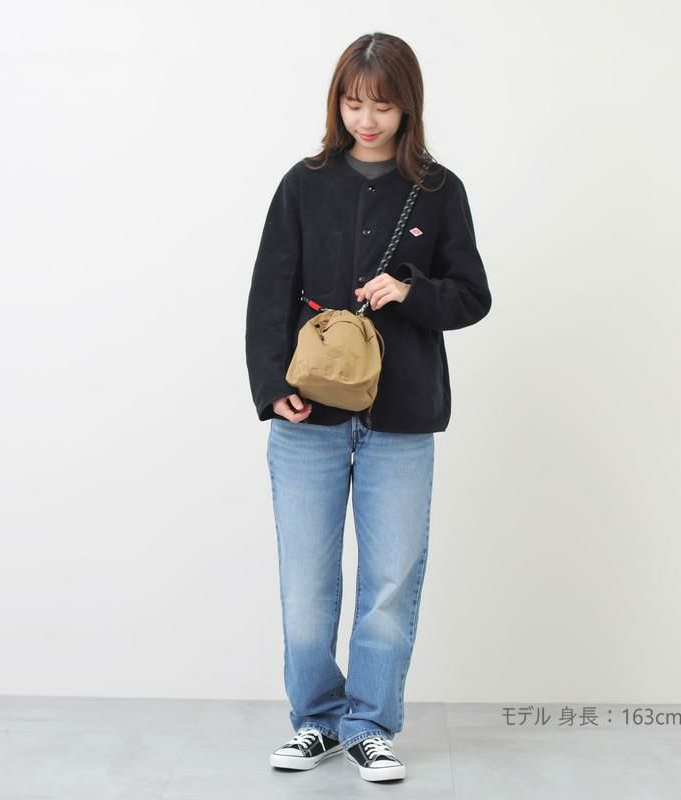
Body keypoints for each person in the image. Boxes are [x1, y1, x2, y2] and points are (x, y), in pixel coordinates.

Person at [245, 32, 492, 783]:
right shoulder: (304, 183)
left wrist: (411, 292)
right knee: (306, 587)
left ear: (407, 106)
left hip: (403, 419)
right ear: (338, 104)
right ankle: (316, 722)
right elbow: (268, 292)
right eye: (353, 103)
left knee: (390, 583)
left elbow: (473, 297)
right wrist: (270, 386)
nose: (367, 119)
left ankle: (371, 727)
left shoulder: (440, 191)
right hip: (307, 418)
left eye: (382, 105)